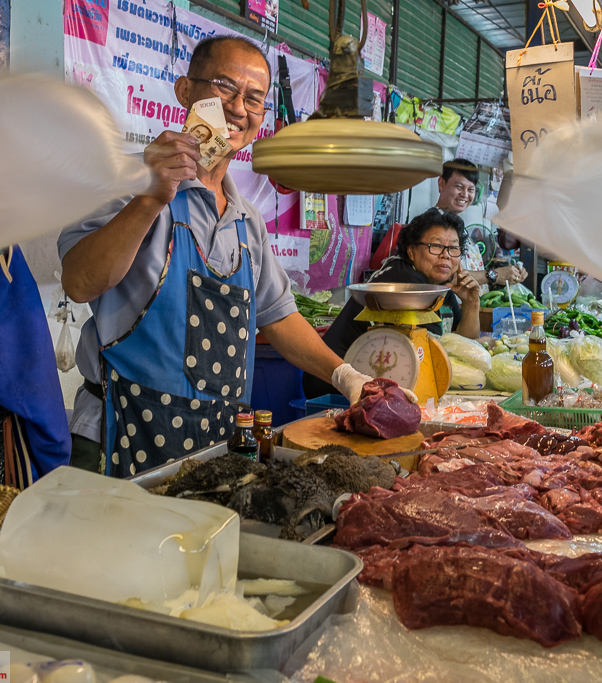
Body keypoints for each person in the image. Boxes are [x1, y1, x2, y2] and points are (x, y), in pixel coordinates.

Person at [58, 35, 374, 476]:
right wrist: (150, 198)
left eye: (255, 99)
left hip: (211, 447)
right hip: (119, 433)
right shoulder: (123, 179)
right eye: (225, 86)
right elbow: (79, 282)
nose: (238, 107)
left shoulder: (247, 221)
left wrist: (347, 376)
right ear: (186, 90)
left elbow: (279, 317)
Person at [304, 209, 510, 399]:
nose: (446, 255)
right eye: (436, 246)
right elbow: (439, 358)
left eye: (453, 248)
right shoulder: (405, 284)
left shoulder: (436, 283)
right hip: (335, 388)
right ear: (411, 251)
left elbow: (463, 346)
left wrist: (471, 302)